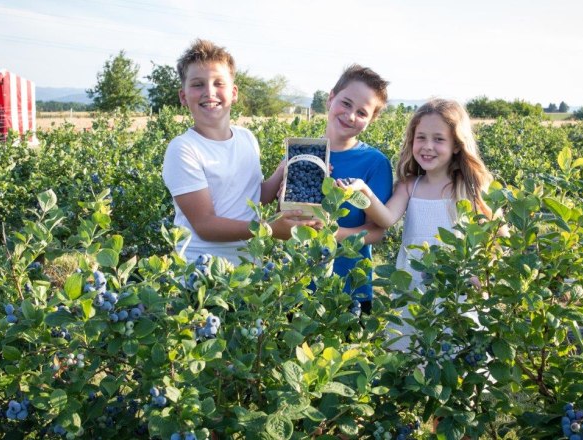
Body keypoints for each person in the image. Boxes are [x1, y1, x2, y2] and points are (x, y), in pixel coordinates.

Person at [337, 98, 497, 351]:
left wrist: (483, 272)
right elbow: (385, 218)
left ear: (457, 145)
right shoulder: (410, 186)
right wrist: (360, 192)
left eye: (439, 139)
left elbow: (498, 235)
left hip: (456, 287)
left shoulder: (469, 189)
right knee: (411, 355)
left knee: (454, 354)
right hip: (412, 286)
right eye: (421, 138)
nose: (428, 147)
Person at [162, 39, 316, 265]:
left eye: (219, 83)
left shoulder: (246, 138)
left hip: (248, 267)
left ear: (234, 93)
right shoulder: (183, 148)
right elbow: (205, 225)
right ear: (184, 97)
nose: (209, 92)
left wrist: (284, 171)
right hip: (201, 273)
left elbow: (251, 198)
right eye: (197, 84)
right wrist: (269, 229)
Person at [323, 64, 394, 315]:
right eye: (346, 103)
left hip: (351, 288)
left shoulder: (374, 163)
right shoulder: (303, 153)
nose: (350, 115)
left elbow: (376, 232)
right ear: (331, 98)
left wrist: (328, 233)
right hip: (300, 282)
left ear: (371, 119)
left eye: (362, 112)